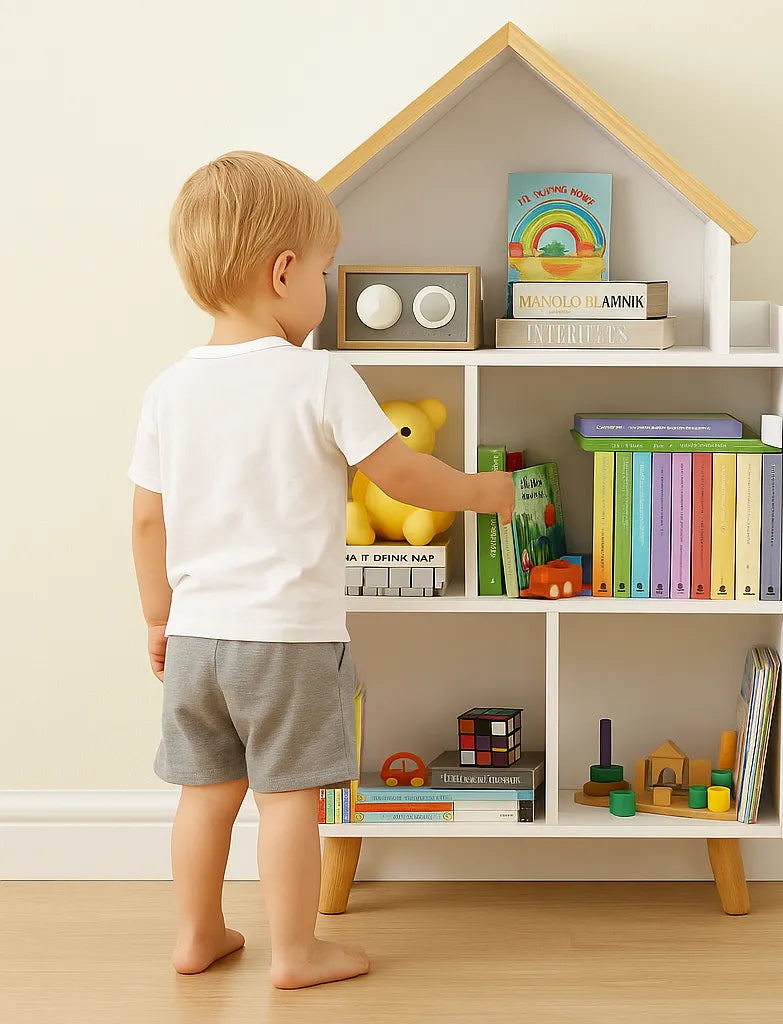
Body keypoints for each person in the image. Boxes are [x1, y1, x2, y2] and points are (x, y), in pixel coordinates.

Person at [129, 151, 514, 989]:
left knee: (206, 796)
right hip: (286, 645)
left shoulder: (168, 390)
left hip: (197, 640)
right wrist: (484, 492)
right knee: (288, 800)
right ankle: (297, 953)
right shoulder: (321, 376)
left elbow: (148, 521)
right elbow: (403, 478)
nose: (330, 289)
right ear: (284, 272)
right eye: (329, 271)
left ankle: (197, 937)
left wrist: (158, 619)